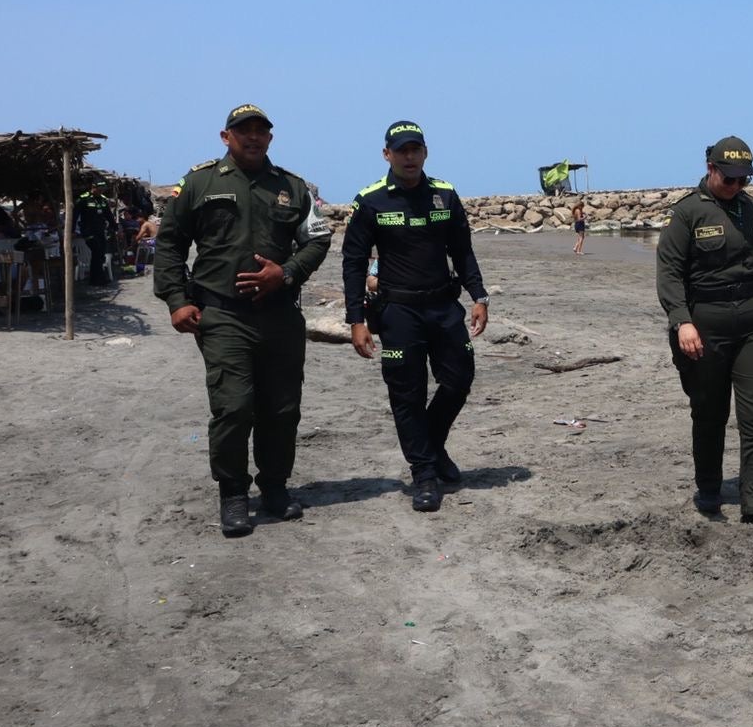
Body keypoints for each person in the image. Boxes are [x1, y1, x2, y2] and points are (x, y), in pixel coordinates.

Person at [153, 104, 332, 537]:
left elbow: (318, 238)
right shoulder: (199, 183)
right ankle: (233, 493)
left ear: (270, 138)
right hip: (221, 314)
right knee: (233, 406)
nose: (253, 137)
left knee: (282, 408)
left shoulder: (292, 187)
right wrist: (176, 299)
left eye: (260, 131)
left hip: (279, 315)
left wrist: (285, 273)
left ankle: (274, 487)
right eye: (243, 131)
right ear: (225, 136)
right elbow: (171, 244)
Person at [342, 120, 490, 514]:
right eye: (401, 150)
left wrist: (479, 295)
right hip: (398, 312)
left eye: (416, 149)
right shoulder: (370, 201)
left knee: (459, 379)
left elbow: (463, 250)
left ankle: (431, 443)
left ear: (425, 153)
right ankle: (424, 473)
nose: (409, 157)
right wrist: (355, 319)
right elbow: (353, 263)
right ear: (387, 154)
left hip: (444, 308)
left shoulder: (445, 194)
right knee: (406, 394)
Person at [656, 136, 753, 525]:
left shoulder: (751, 208)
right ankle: (709, 488)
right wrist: (682, 321)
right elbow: (669, 273)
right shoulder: (687, 214)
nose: (737, 186)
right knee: (709, 411)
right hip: (705, 323)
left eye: (744, 179)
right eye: (730, 179)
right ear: (711, 170)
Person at [75, 183, 117, 285]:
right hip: (88, 231)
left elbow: (108, 214)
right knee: (96, 251)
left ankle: (95, 279)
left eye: (102, 189)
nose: (101, 191)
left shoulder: (102, 199)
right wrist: (72, 230)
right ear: (93, 187)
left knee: (100, 254)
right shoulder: (83, 198)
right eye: (99, 189)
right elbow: (75, 215)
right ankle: (99, 278)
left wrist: (114, 226)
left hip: (100, 231)